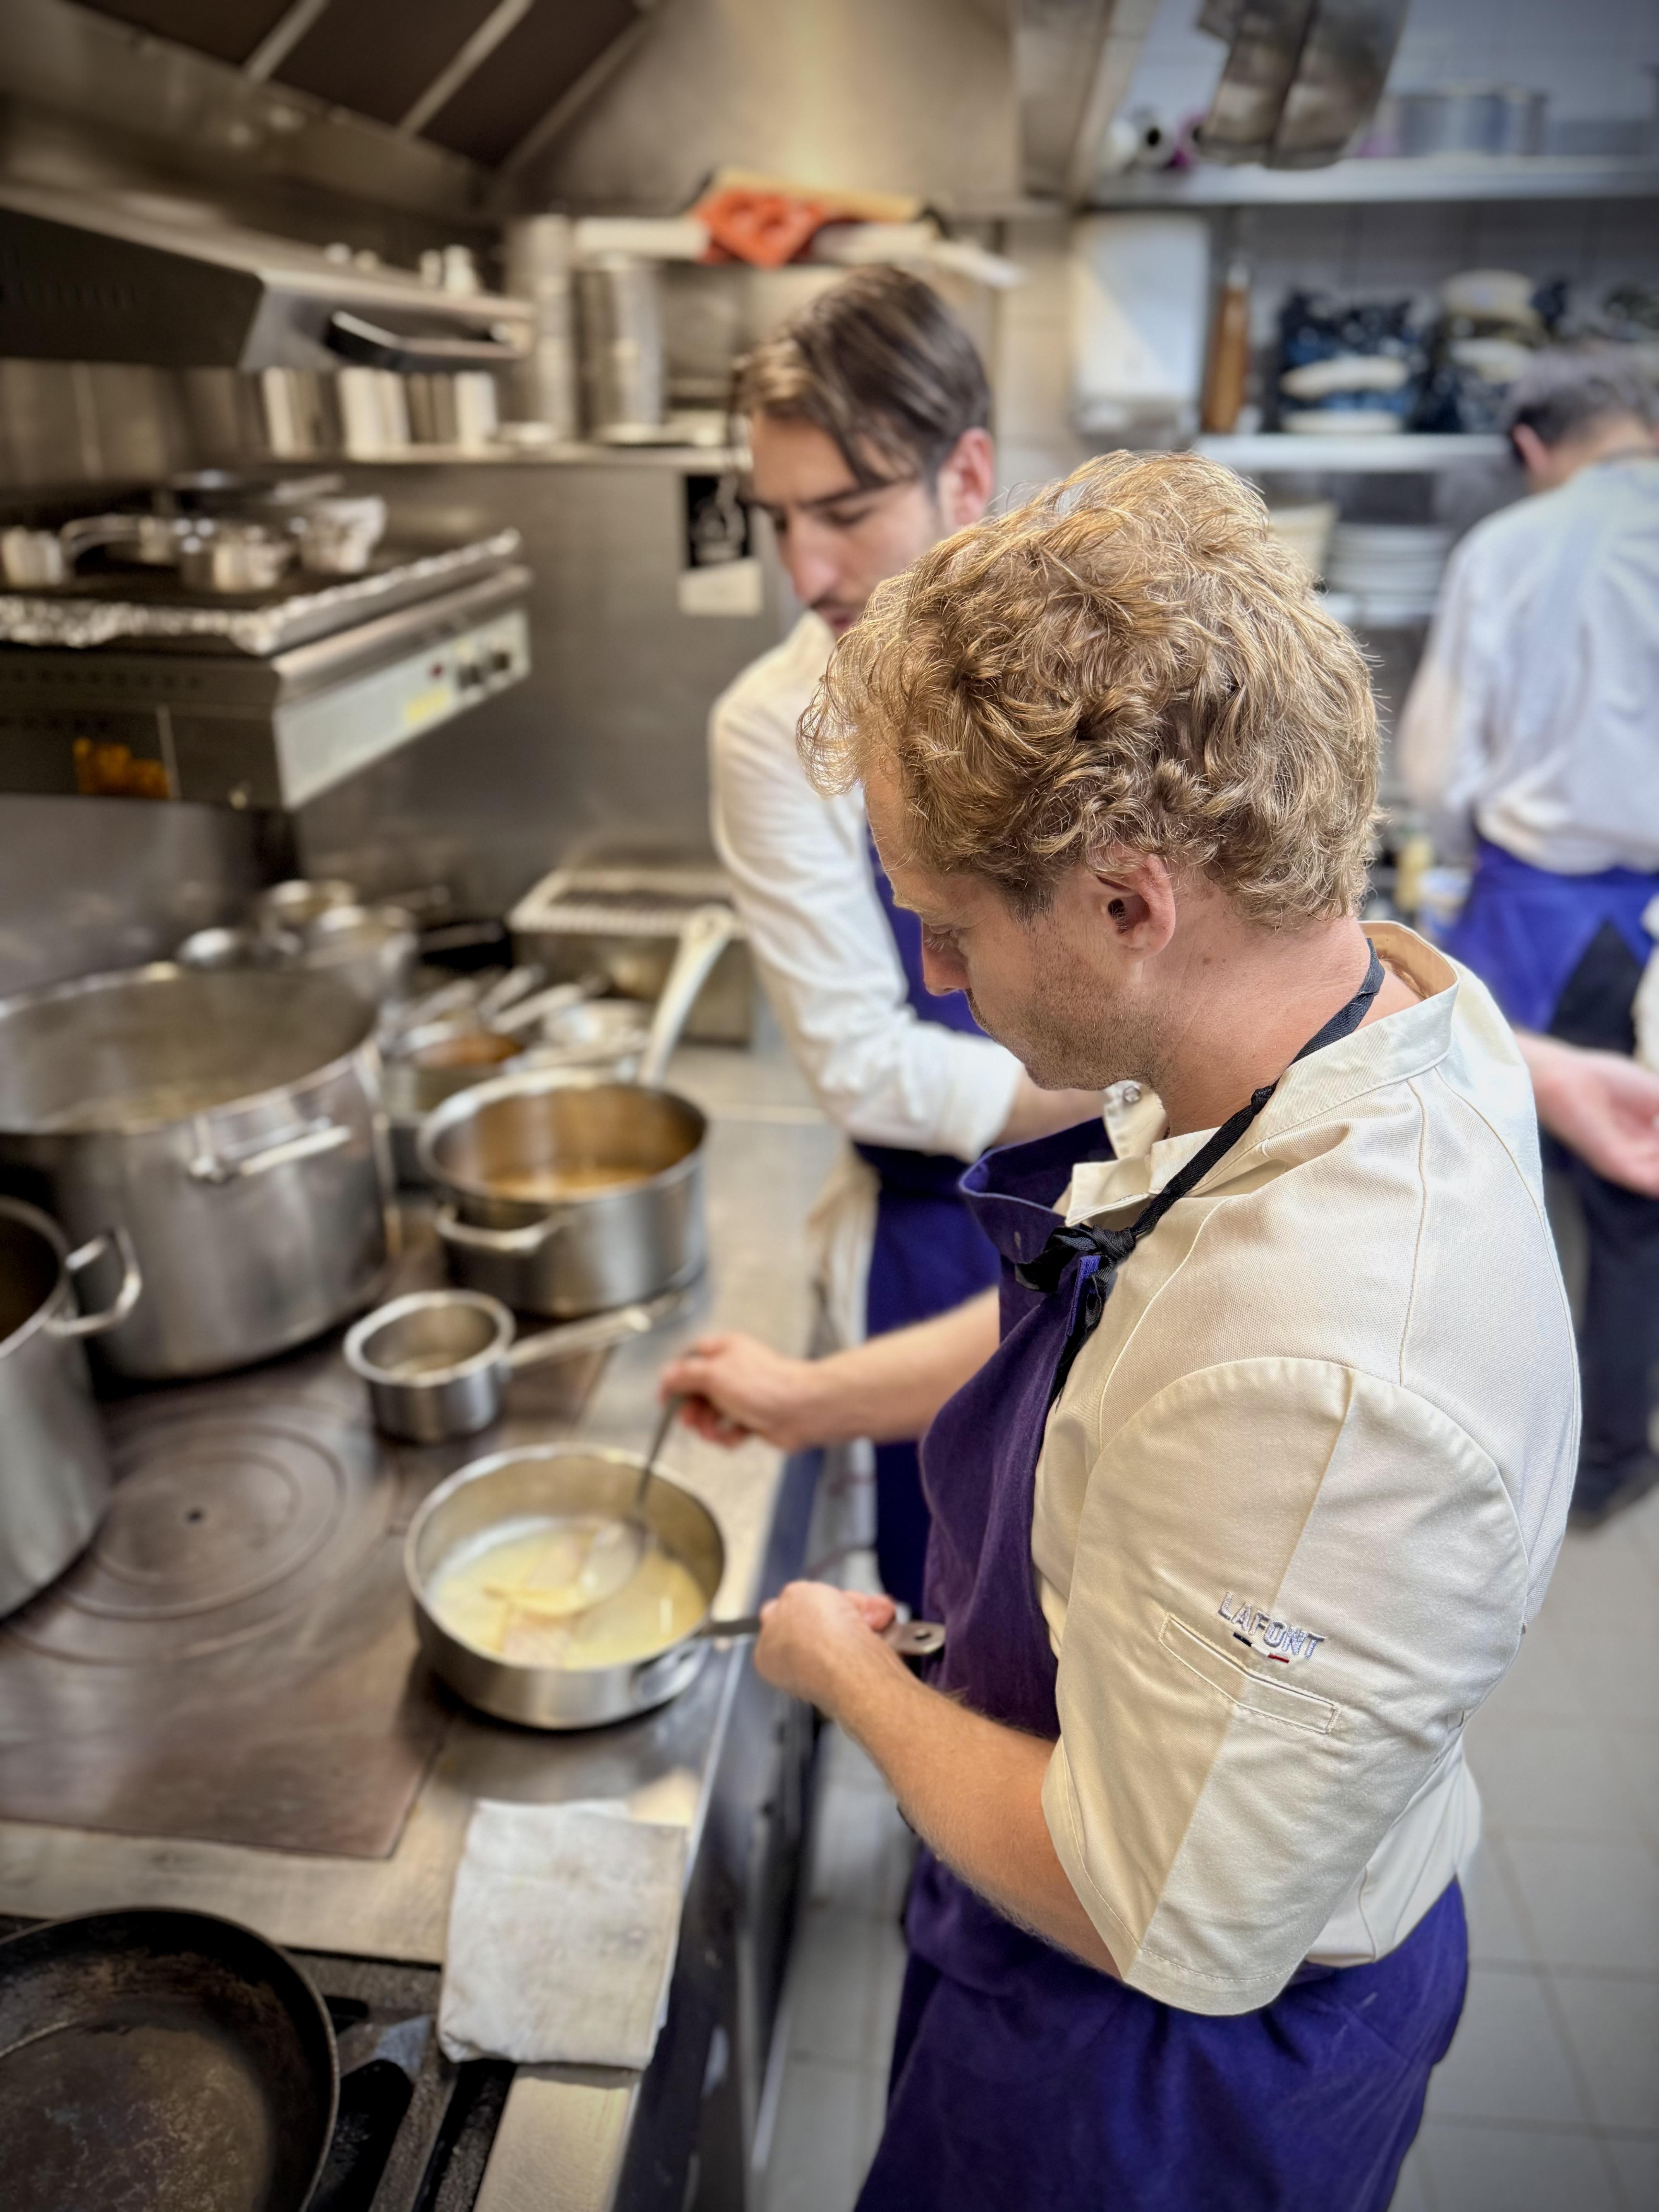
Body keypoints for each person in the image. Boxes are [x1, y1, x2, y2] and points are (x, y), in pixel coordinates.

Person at [665, 453, 1578, 2211]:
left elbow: (1161, 1911)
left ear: (1127, 900)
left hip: (1167, 2071)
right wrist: (805, 1402)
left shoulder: (1326, 1370)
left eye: (946, 920)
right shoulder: (1322, 1022)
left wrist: (846, 1671)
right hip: (1080, 1917)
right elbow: (1108, 1323)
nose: (935, 973)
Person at [711, 268, 1096, 1611]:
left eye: (845, 511)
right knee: (960, 1611)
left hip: (1154, 1199)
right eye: (779, 521)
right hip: (948, 1229)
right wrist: (1150, 1085)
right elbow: (872, 1069)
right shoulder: (774, 730)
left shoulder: (1091, 660)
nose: (805, 570)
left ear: (966, 473)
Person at [1400, 346, 1659, 1527]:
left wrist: (1440, 861)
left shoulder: (1510, 546)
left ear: (1528, 447)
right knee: (1635, 1203)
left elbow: (1438, 764)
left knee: (1481, 1185)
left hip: (1539, 906)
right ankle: (1606, 1466)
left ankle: (1471, 1468)